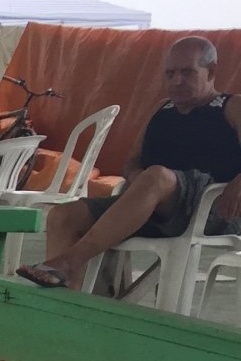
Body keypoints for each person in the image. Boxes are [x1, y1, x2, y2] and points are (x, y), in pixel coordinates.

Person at [17, 36, 241, 291]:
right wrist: (136, 177)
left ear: (211, 71)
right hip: (151, 204)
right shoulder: (162, 109)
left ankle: (69, 262)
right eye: (170, 74)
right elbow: (133, 161)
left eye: (187, 72)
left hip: (211, 208)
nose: (177, 81)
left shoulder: (231, 106)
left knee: (156, 176)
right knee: (62, 215)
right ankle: (70, 308)